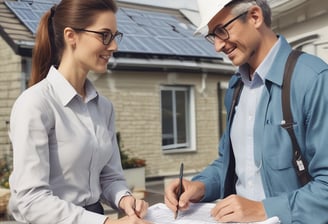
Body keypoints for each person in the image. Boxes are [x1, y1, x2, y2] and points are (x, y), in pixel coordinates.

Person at [165, 0, 328, 223]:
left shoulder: (313, 80)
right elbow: (230, 163)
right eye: (213, 35)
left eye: (222, 30)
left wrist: (265, 210)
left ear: (254, 17)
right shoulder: (236, 88)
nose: (218, 46)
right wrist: (200, 185)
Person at [7, 0, 151, 223]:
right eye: (104, 35)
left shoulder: (104, 107)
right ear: (70, 36)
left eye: (115, 36)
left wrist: (124, 199)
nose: (114, 46)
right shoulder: (35, 104)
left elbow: (109, 176)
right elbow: (31, 200)